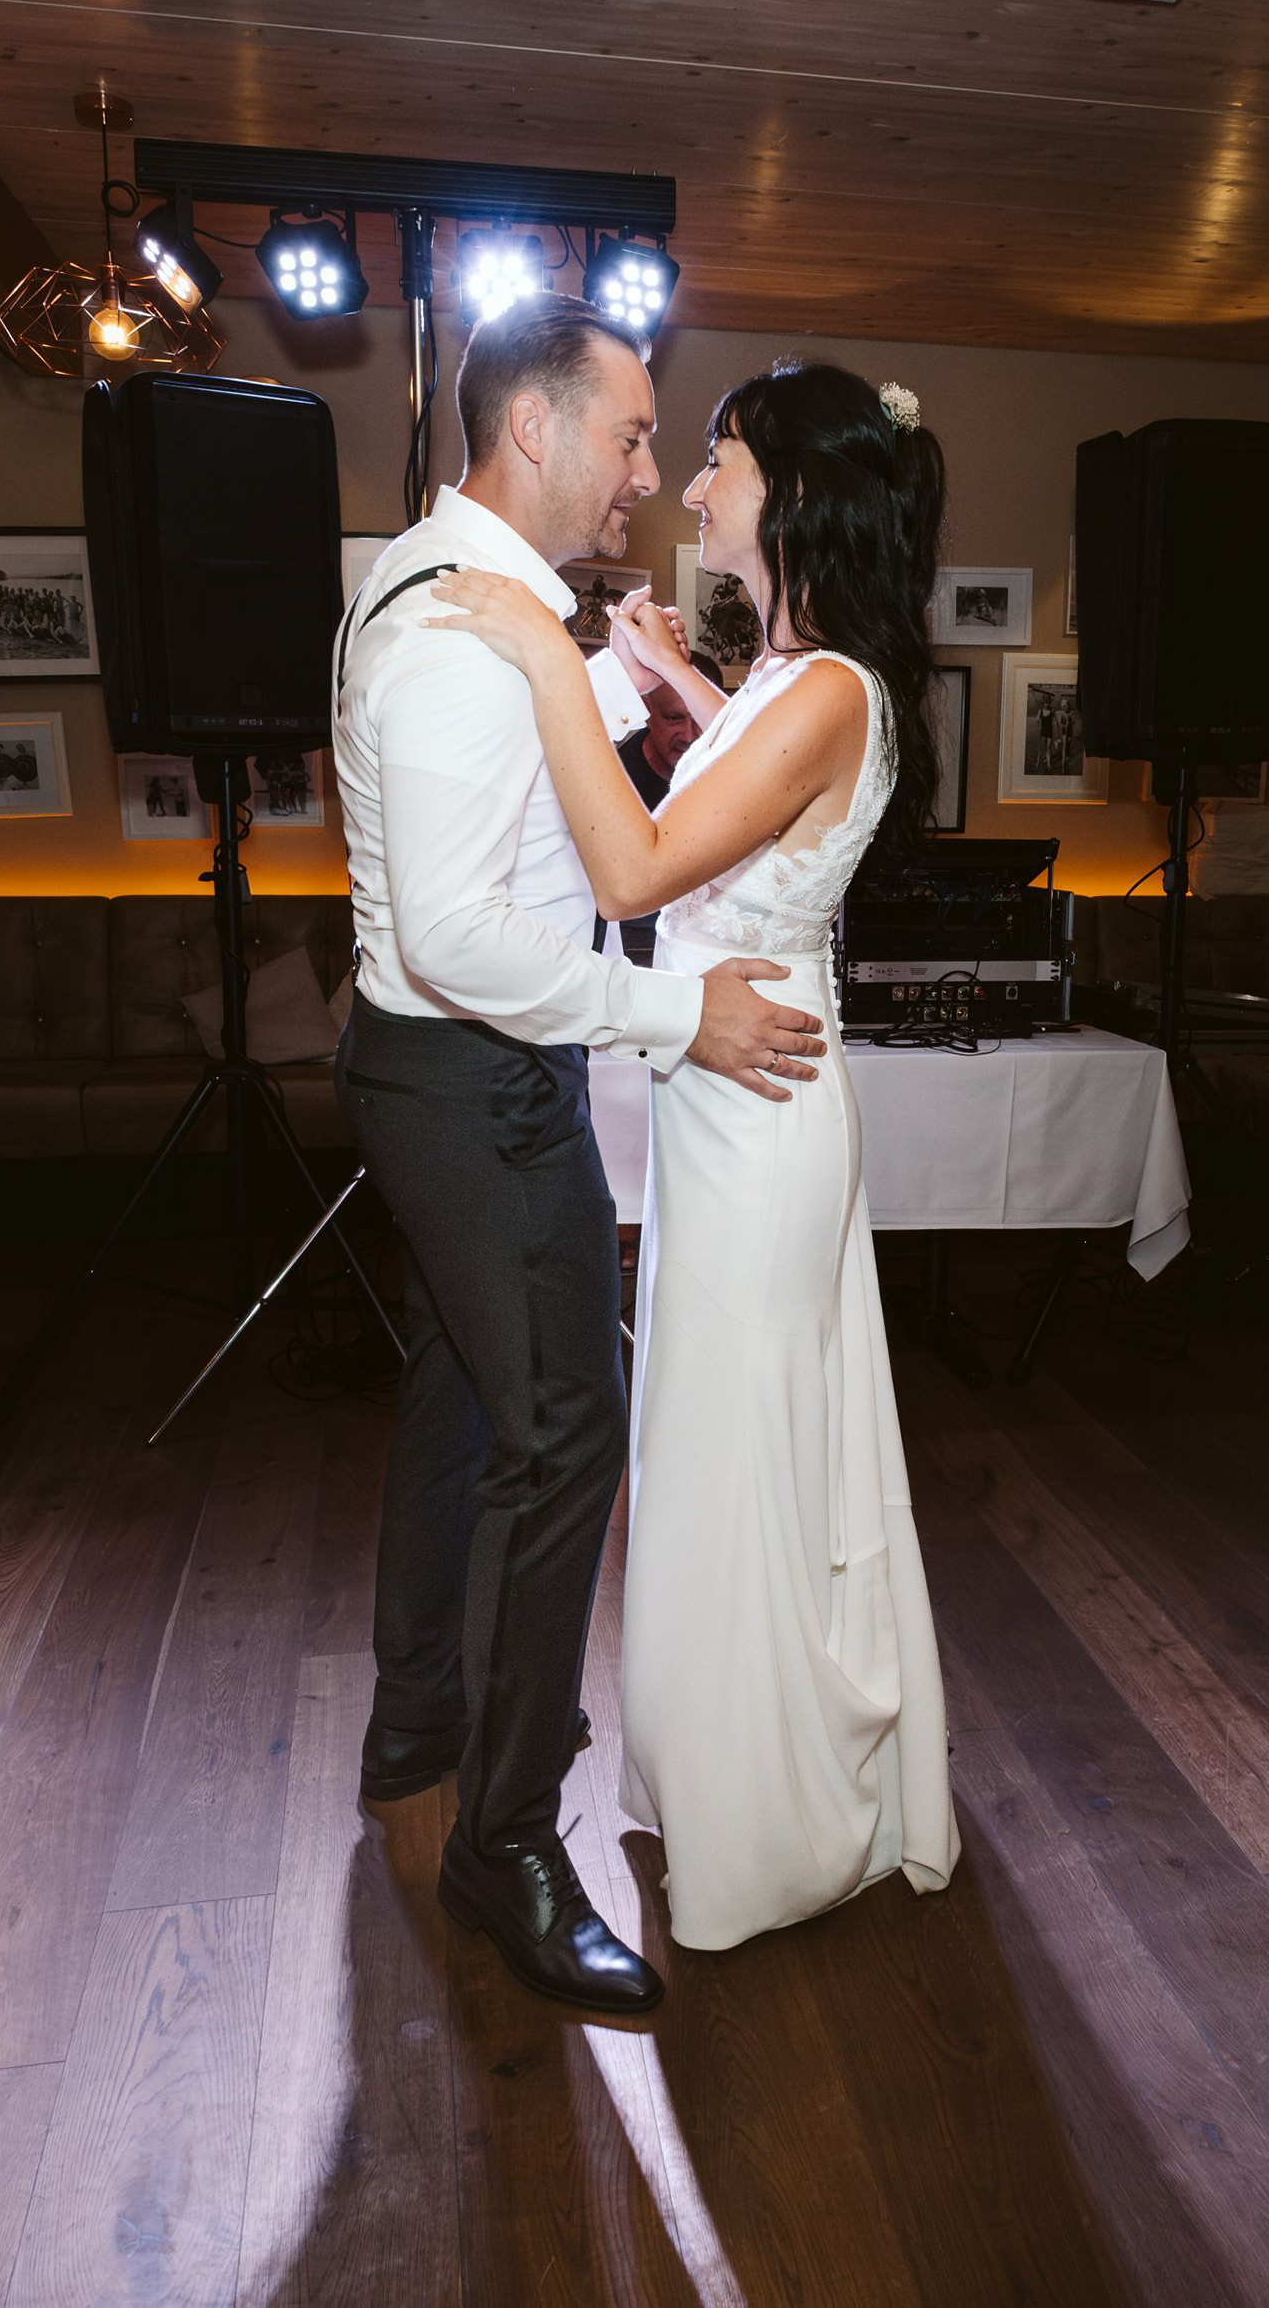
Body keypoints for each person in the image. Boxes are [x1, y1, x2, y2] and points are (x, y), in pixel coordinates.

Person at [331, 298, 829, 2014]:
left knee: (462, 1405)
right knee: (565, 1442)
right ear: (532, 430)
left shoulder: (455, 595)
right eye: (627, 434)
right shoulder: (457, 639)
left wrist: (616, 671)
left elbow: (522, 808)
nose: (645, 471)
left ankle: (416, 1723)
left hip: (432, 1068)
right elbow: (466, 937)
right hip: (476, 1075)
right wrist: (677, 1015)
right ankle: (506, 1840)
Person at [427, 359, 960, 1952]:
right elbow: (763, 796)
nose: (693, 483)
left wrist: (549, 654)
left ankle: (766, 1817)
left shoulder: (829, 688)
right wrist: (673, 678)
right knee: (733, 1435)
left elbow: (640, 867)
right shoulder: (804, 679)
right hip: (735, 1093)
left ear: (793, 493)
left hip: (760, 1104)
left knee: (737, 1451)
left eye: (718, 457)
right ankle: (742, 1773)